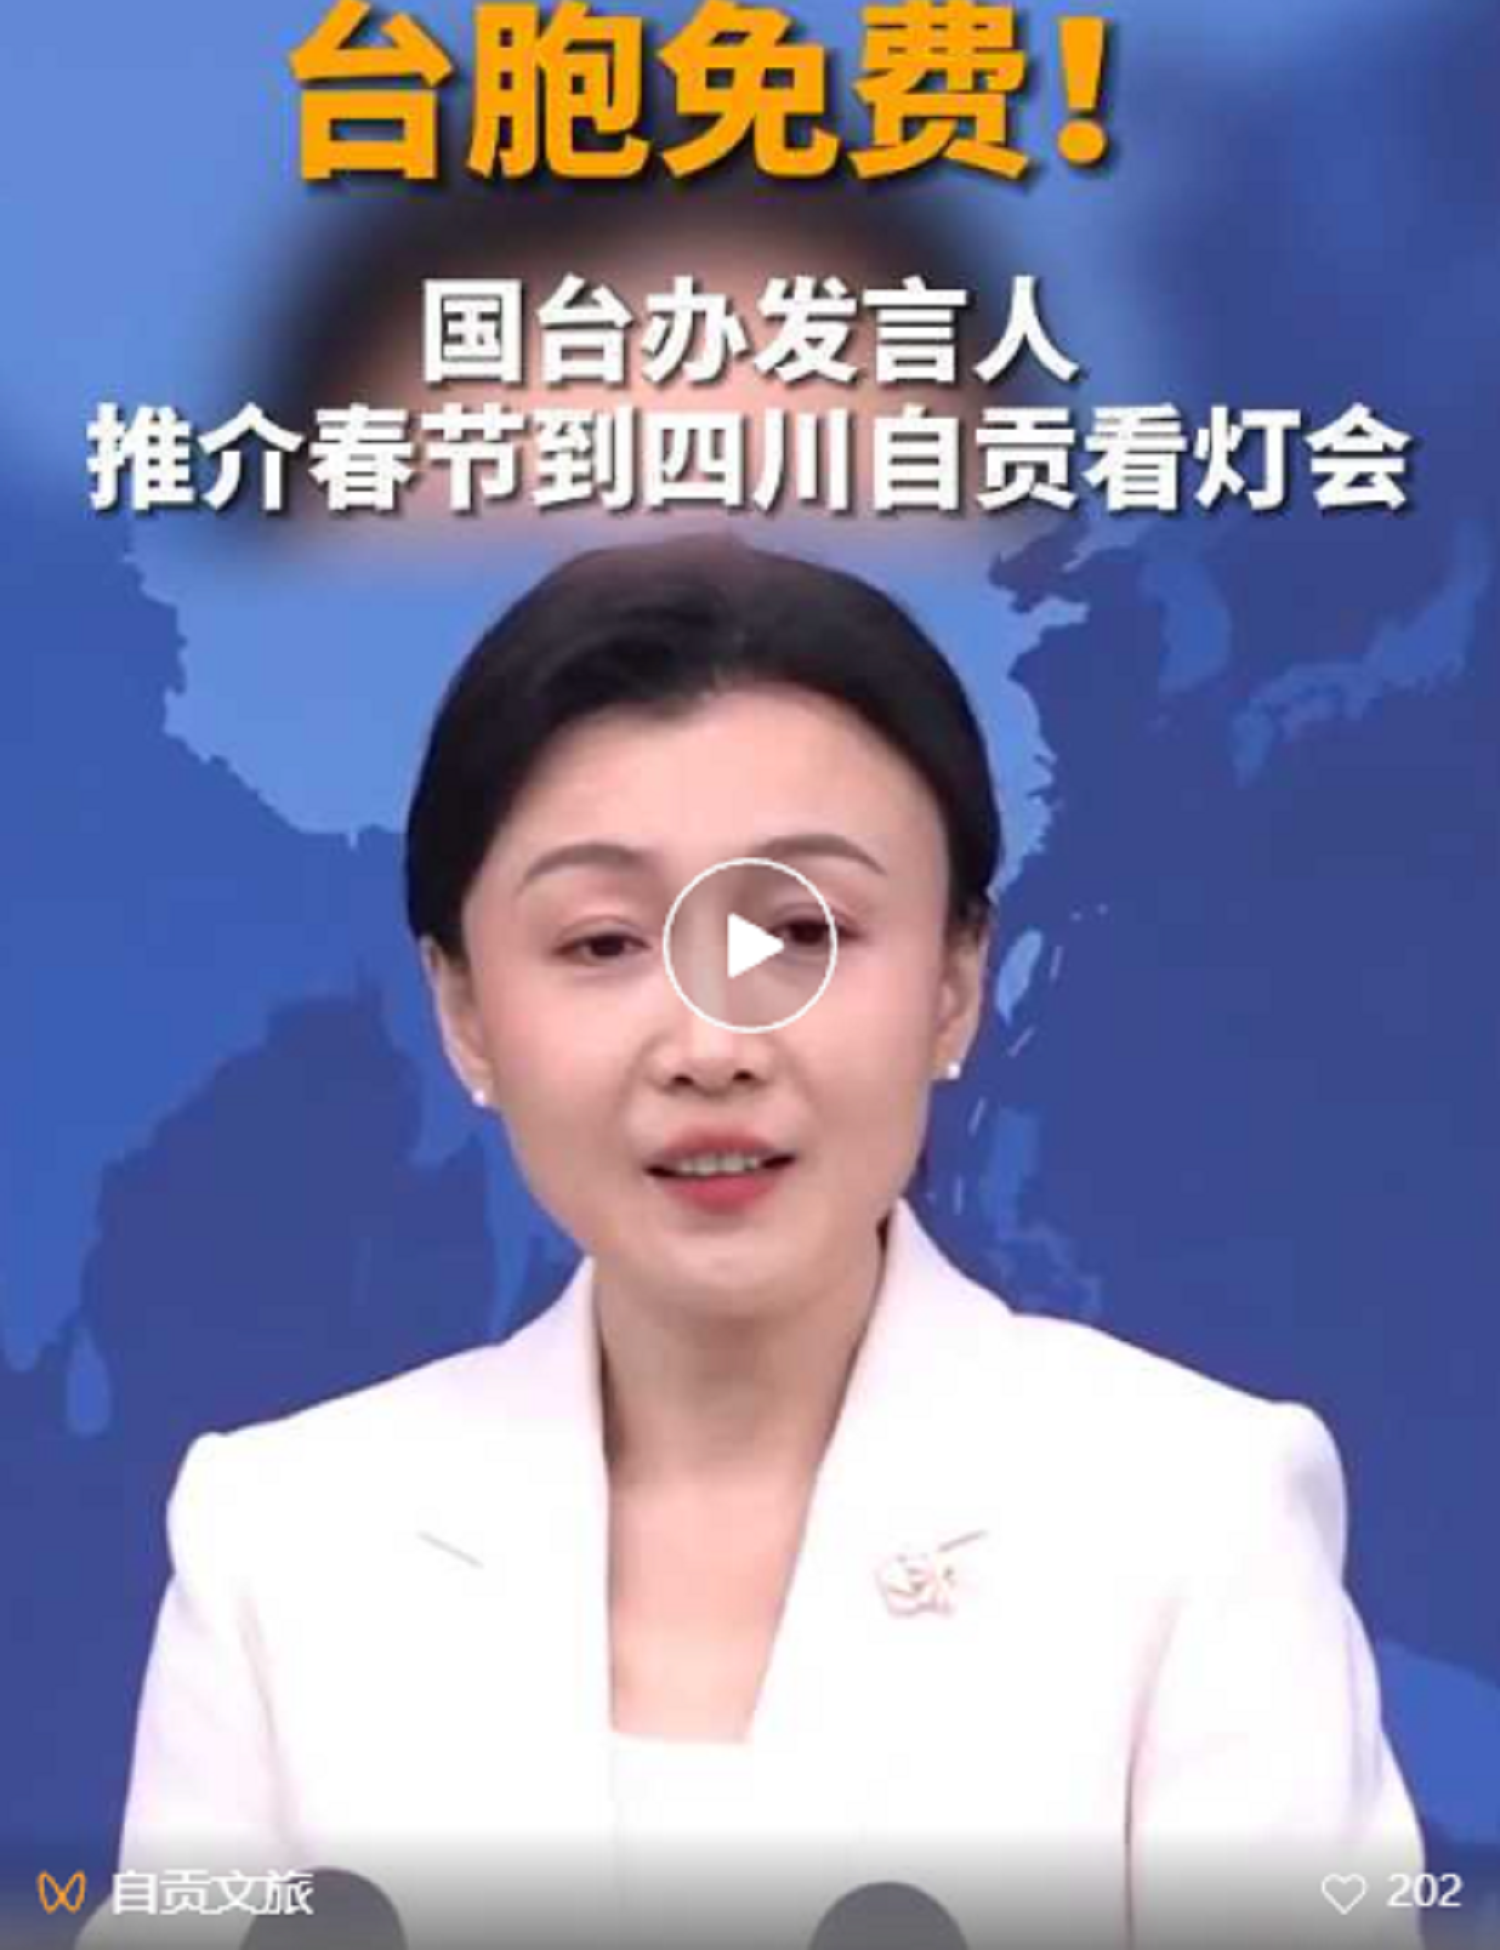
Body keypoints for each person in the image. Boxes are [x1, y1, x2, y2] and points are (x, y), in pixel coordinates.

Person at [82, 535, 1422, 1950]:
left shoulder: (1190, 1514)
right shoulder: (285, 1541)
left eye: (802, 929)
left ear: (956, 980)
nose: (711, 1044)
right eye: (604, 943)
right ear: (464, 1011)